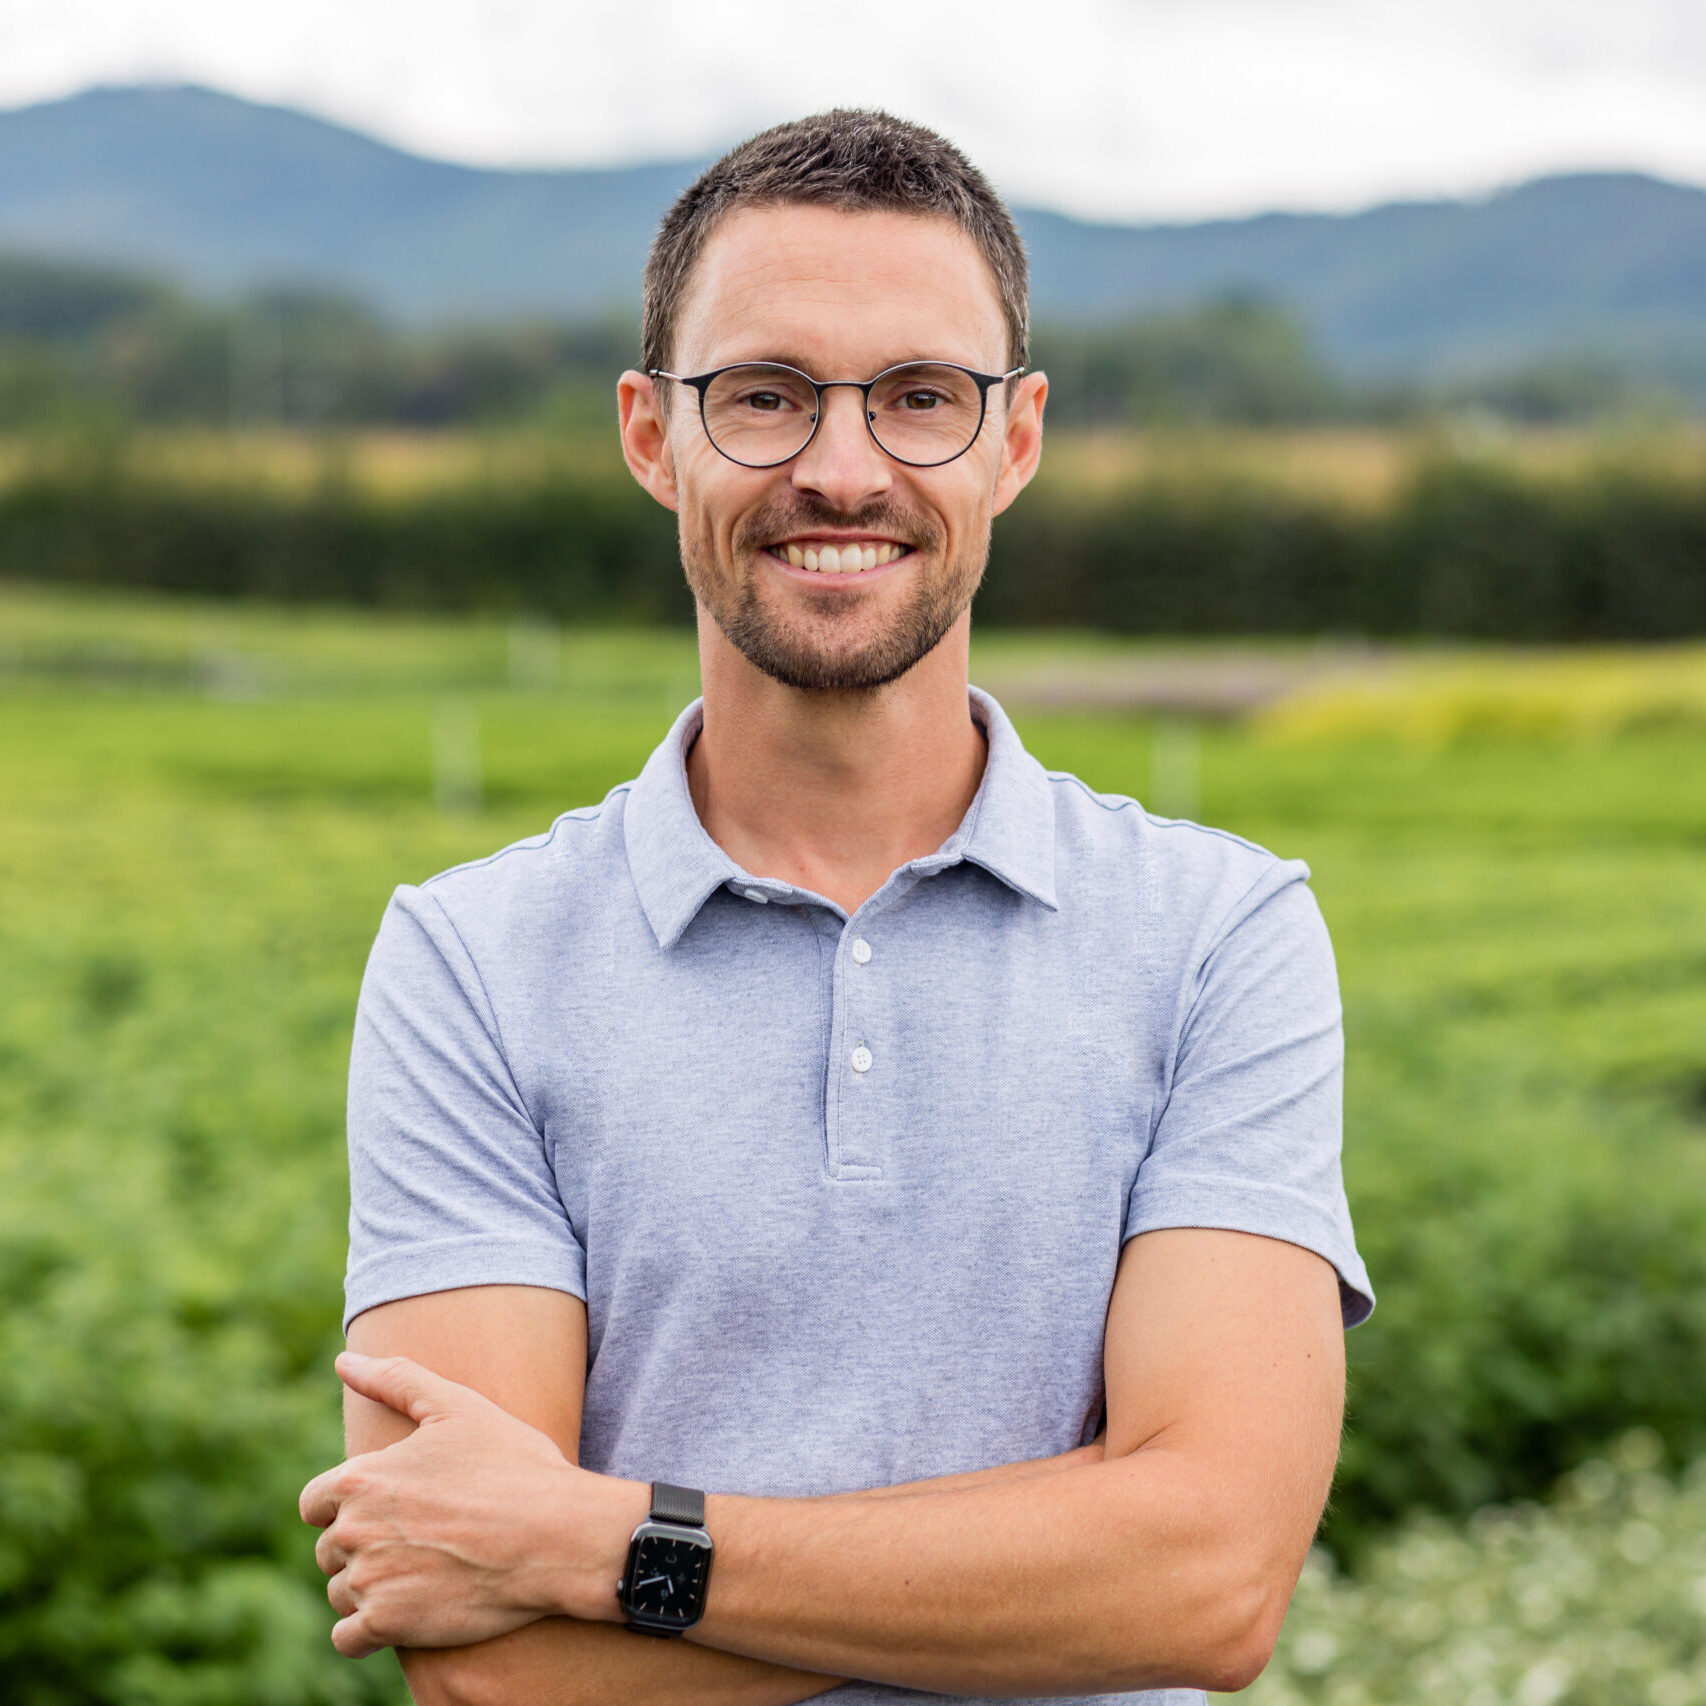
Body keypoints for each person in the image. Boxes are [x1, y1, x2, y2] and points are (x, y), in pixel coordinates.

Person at [300, 109, 1372, 1706]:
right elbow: (493, 1664)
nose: (842, 467)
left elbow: (1205, 1578)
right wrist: (1049, 1561)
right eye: (765, 395)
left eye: (921, 397)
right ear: (652, 433)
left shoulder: (1219, 932)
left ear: (1012, 442)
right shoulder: (472, 959)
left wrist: (602, 1543)